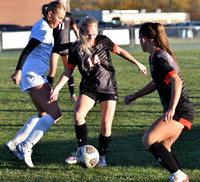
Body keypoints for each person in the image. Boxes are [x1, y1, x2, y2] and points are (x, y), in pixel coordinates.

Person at [50, 16, 147, 167]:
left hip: (108, 87)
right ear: (81, 31)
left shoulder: (103, 41)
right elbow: (68, 71)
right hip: (89, 88)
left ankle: (101, 157)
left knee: (106, 124)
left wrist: (137, 63)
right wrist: (56, 89)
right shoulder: (75, 48)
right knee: (78, 116)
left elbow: (119, 50)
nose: (92, 37)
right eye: (88, 34)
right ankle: (81, 152)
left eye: (94, 33)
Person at [124, 22, 194, 181]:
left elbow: (177, 81)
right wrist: (135, 96)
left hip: (180, 110)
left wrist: (171, 108)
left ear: (143, 39)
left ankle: (179, 176)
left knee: (148, 139)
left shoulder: (159, 57)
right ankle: (181, 177)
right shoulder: (155, 55)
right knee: (164, 147)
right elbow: (157, 83)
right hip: (182, 109)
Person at [5, 1, 70, 168]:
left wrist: (73, 45)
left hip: (33, 74)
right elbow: (27, 49)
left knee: (42, 114)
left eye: (63, 18)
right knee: (55, 113)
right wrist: (18, 70)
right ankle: (26, 146)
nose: (61, 21)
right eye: (59, 17)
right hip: (33, 75)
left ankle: (14, 143)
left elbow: (55, 47)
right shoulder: (43, 28)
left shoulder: (46, 27)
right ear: (50, 14)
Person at [47, 0, 79, 102]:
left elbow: (75, 29)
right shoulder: (54, 16)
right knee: (52, 71)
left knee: (69, 70)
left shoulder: (70, 16)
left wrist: (79, 39)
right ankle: (47, 93)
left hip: (66, 47)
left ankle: (72, 94)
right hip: (55, 48)